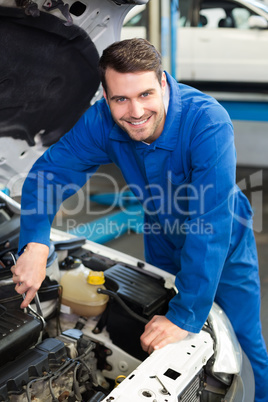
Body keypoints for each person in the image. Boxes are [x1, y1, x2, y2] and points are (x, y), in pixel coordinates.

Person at [11, 38, 267, 400]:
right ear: (106, 95)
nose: (135, 111)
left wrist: (185, 315)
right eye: (121, 99)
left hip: (223, 237)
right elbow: (49, 174)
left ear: (163, 83)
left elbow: (209, 226)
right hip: (160, 231)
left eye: (146, 94)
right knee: (156, 318)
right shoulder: (102, 121)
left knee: (242, 337)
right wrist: (36, 239)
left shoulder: (207, 123)